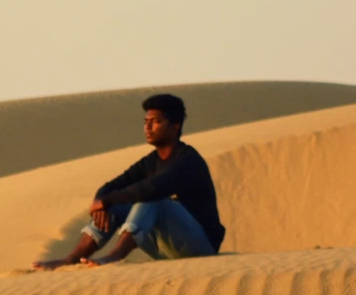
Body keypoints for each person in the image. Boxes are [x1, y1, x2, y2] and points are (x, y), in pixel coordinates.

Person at [33, 94, 225, 269]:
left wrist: (107, 200)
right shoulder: (150, 161)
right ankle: (72, 259)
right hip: (167, 250)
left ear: (175, 126)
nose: (148, 127)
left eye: (156, 122)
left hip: (201, 248)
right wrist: (102, 202)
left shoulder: (188, 160)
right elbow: (112, 186)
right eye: (146, 122)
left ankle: (115, 256)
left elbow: (154, 187)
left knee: (153, 199)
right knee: (115, 207)